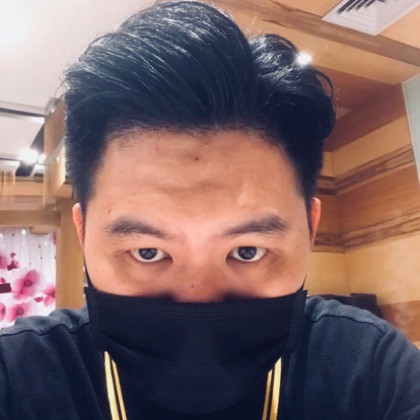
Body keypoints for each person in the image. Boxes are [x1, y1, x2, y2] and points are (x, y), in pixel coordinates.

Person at [1, 1, 419, 419]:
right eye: (147, 252)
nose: (197, 299)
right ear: (83, 232)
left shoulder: (374, 371)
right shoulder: (16, 376)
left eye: (247, 251)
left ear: (310, 228)